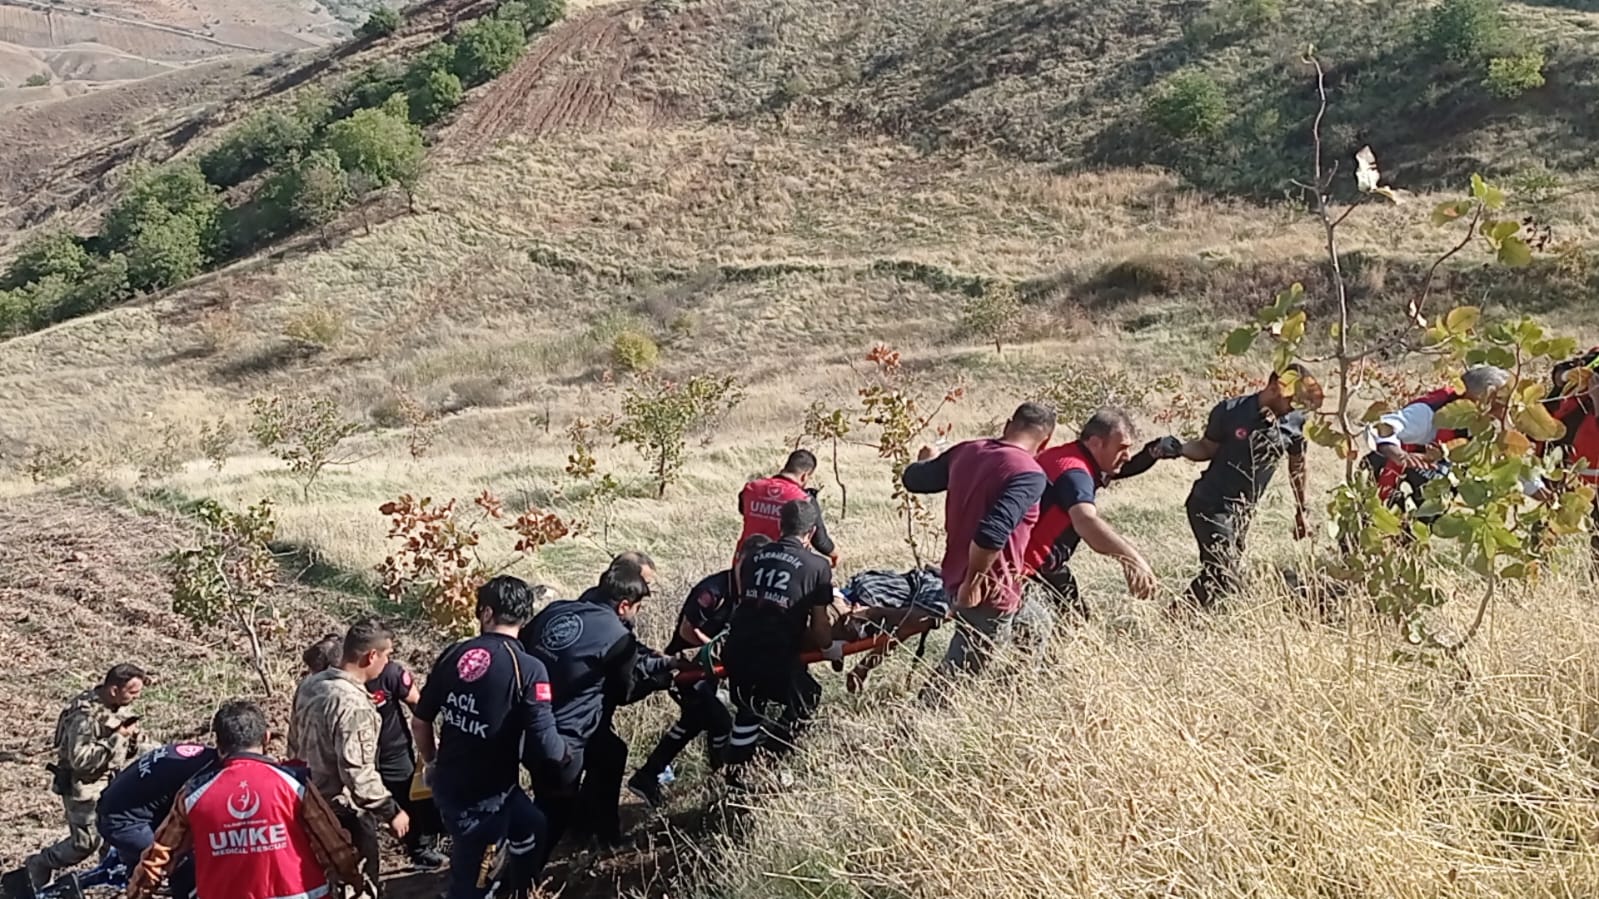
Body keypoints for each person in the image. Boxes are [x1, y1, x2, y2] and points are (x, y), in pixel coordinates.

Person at [412, 576, 568, 899]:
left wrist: (431, 762)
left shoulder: (455, 654)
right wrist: (566, 755)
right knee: (473, 885)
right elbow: (546, 742)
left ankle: (517, 889)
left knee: (533, 826)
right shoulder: (529, 669)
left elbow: (420, 720)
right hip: (481, 803)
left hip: (475, 788)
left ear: (486, 613)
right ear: (524, 617)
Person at [523, 555, 683, 856]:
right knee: (550, 813)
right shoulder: (615, 634)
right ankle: (511, 882)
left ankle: (603, 834)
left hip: (529, 720)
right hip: (565, 737)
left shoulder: (557, 611)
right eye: (638, 607)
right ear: (624, 605)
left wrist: (663, 662)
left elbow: (522, 647)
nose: (637, 614)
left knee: (610, 754)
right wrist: (664, 679)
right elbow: (626, 690)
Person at [127, 700, 363, 899]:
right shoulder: (293, 783)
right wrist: (354, 878)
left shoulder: (193, 793)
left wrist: (138, 893)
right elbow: (332, 842)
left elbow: (159, 856)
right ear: (267, 738)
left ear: (218, 745)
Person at [901, 402, 1056, 701]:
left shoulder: (967, 451)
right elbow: (991, 533)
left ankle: (1014, 699)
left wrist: (926, 461)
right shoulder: (1028, 473)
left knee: (1036, 624)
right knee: (959, 678)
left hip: (962, 577)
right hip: (987, 589)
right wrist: (974, 584)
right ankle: (912, 731)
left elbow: (915, 479)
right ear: (1046, 441)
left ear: (1008, 424)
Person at [625, 535, 772, 806]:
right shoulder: (714, 591)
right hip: (685, 665)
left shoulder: (756, 591)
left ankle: (648, 776)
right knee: (718, 721)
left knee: (695, 720)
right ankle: (722, 781)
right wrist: (718, 651)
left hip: (713, 669)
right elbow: (687, 631)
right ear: (738, 560)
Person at [1177, 365, 1321, 612]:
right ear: (1276, 385)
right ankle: (1176, 619)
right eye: (1291, 399)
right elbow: (1206, 449)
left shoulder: (1295, 422)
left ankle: (1180, 620)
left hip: (1243, 511)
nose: (1293, 407)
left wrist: (1301, 511)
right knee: (1223, 571)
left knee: (1219, 574)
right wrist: (1179, 449)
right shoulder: (1231, 411)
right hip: (1211, 502)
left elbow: (1297, 467)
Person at [1022, 408, 1181, 623]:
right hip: (1027, 571)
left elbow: (1119, 468)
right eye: (1122, 448)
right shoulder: (1075, 474)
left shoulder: (1067, 455)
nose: (1126, 455)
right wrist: (1133, 559)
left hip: (1039, 564)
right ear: (1096, 443)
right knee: (1042, 633)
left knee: (1074, 621)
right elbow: (1086, 521)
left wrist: (1150, 454)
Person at [289, 619, 409, 895]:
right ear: (372, 656)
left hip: (307, 803)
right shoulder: (354, 706)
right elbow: (357, 774)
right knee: (360, 885)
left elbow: (293, 744)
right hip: (344, 813)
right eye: (387, 655)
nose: (388, 662)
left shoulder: (311, 685)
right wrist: (392, 812)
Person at [721, 500, 839, 770]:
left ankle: (735, 777)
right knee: (807, 696)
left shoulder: (752, 557)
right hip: (775, 654)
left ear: (779, 526)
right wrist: (830, 647)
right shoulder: (817, 566)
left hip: (737, 648)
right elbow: (820, 624)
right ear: (810, 533)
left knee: (749, 708)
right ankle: (769, 761)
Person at [24, 663, 150, 891]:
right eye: (132, 692)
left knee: (114, 833)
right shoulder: (85, 716)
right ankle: (40, 863)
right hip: (83, 787)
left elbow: (132, 746)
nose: (136, 697)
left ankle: (111, 881)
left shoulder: (114, 707)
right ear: (114, 689)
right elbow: (80, 761)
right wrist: (117, 739)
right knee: (85, 843)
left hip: (110, 782)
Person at [1365, 365, 1512, 509]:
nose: (1505, 408)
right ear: (1483, 397)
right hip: (1385, 484)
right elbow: (1380, 426)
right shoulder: (1430, 413)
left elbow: (1518, 467)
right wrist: (1398, 454)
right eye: (1500, 401)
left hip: (1425, 500)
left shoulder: (1488, 428)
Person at [95, 739, 221, 899]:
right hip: (122, 821)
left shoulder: (202, 755)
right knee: (182, 862)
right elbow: (189, 816)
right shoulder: (207, 772)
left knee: (141, 874)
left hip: (123, 805)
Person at [366, 658, 446, 870]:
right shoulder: (344, 681)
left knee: (412, 799)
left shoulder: (390, 673)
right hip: (359, 754)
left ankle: (421, 850)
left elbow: (417, 705)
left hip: (395, 751)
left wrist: (429, 738)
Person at [736, 450, 839, 567]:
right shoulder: (803, 499)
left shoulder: (752, 488)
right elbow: (819, 540)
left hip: (744, 563)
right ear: (805, 476)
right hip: (781, 568)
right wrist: (834, 554)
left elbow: (743, 511)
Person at [1549, 361, 1599, 575]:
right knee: (1548, 513)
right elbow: (1558, 374)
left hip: (1591, 451)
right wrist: (1571, 375)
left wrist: (1597, 398)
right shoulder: (1595, 357)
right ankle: (1535, 569)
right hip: (1567, 452)